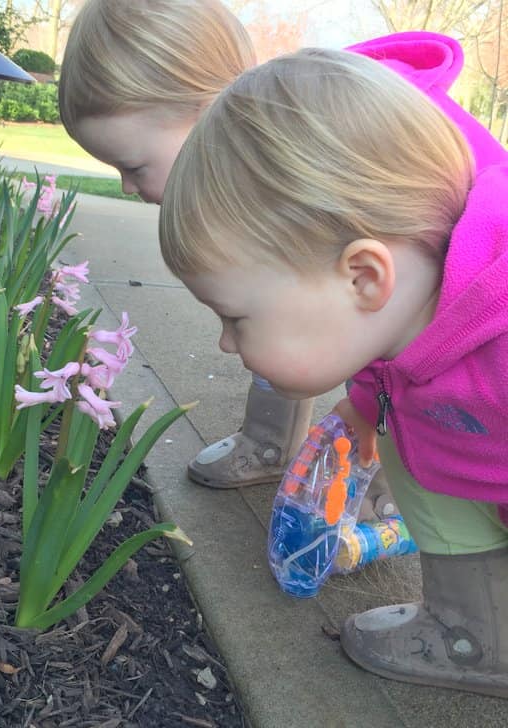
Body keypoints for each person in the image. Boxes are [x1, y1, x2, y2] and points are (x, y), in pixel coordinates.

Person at [159, 44, 508, 697]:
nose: (226, 345)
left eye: (237, 318)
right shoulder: (402, 307)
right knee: (405, 441)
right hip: (474, 451)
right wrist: (362, 407)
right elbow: (389, 358)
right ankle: (474, 633)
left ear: (363, 276)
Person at [58, 0, 315, 494]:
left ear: (210, 113)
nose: (127, 188)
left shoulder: (305, 179)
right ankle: (269, 442)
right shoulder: (235, 177)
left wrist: (366, 409)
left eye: (133, 167)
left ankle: (395, 472)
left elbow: (381, 318)